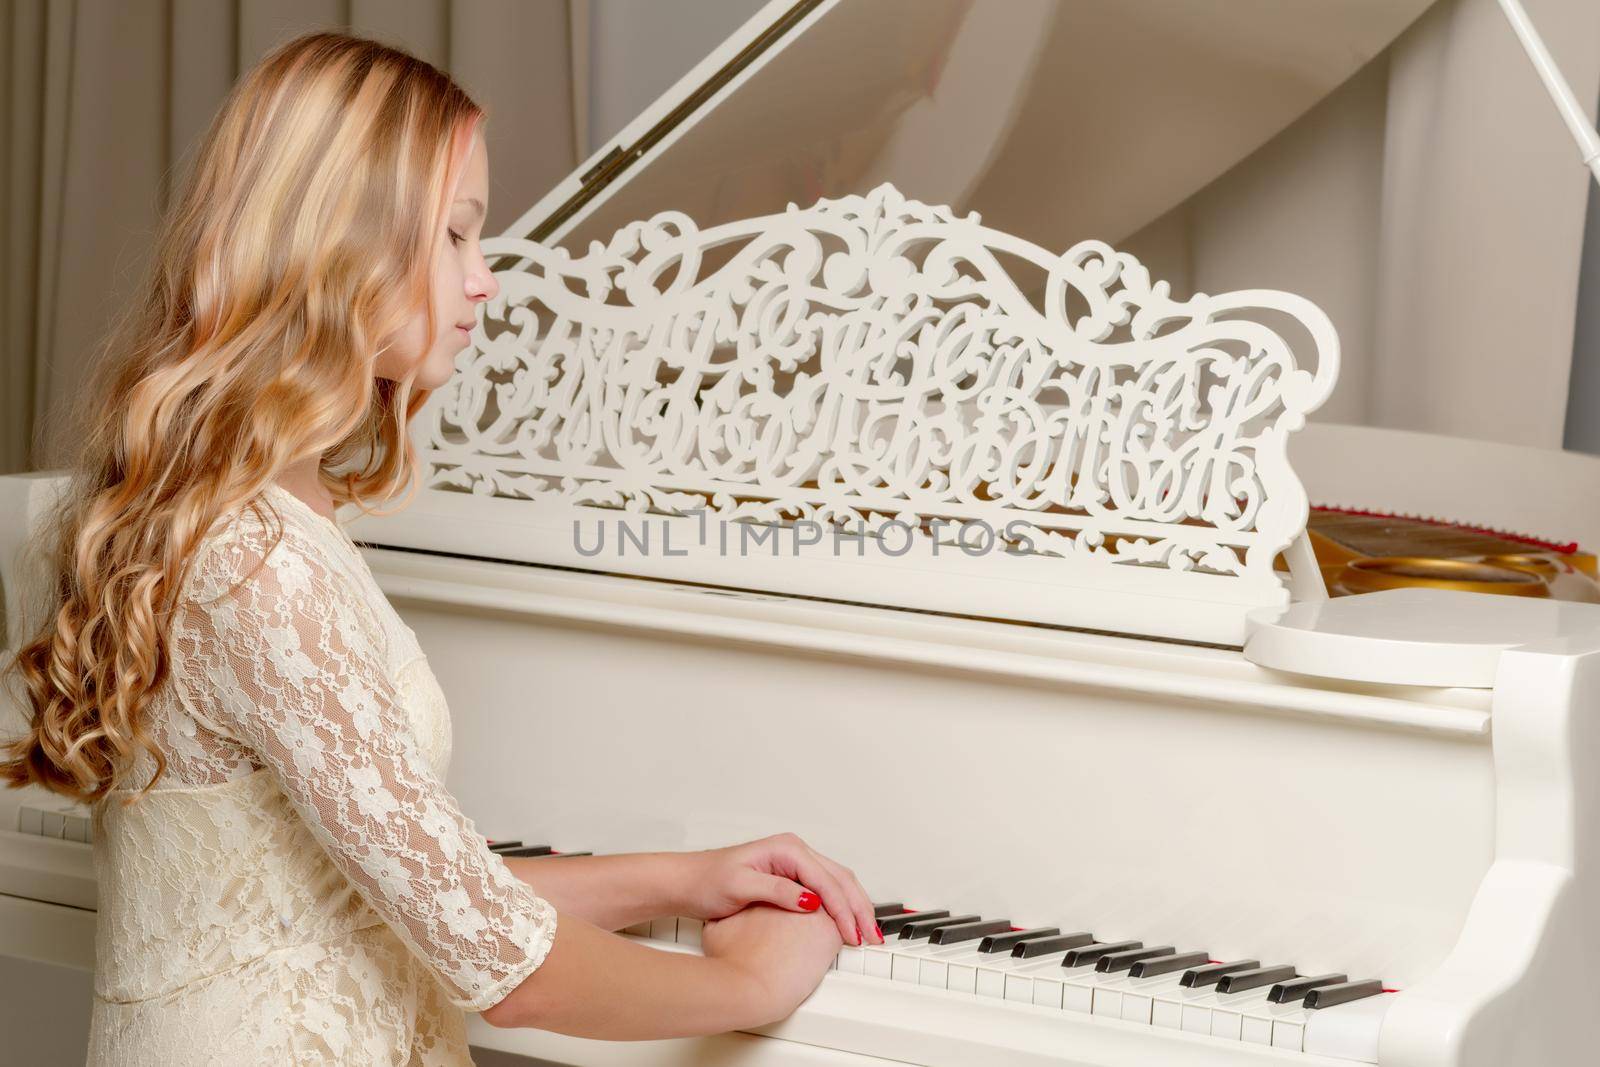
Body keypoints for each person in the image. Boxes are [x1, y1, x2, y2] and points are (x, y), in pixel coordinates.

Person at [0, 30, 882, 1065]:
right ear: (344, 248)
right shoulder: (259, 565)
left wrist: (684, 878)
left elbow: (376, 892)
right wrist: (749, 978)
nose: (487, 281)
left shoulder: (242, 513)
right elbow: (507, 965)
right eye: (458, 235)